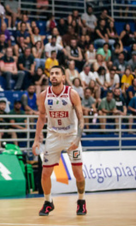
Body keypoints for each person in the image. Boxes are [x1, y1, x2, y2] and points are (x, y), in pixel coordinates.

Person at [32, 66, 86, 216]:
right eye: (52, 74)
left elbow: (81, 119)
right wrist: (36, 140)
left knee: (78, 174)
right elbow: (41, 117)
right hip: (53, 137)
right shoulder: (44, 95)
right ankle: (48, 202)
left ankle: (81, 201)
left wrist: (77, 138)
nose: (54, 76)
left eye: (57, 73)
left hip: (71, 136)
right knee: (45, 173)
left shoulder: (72, 94)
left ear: (63, 77)